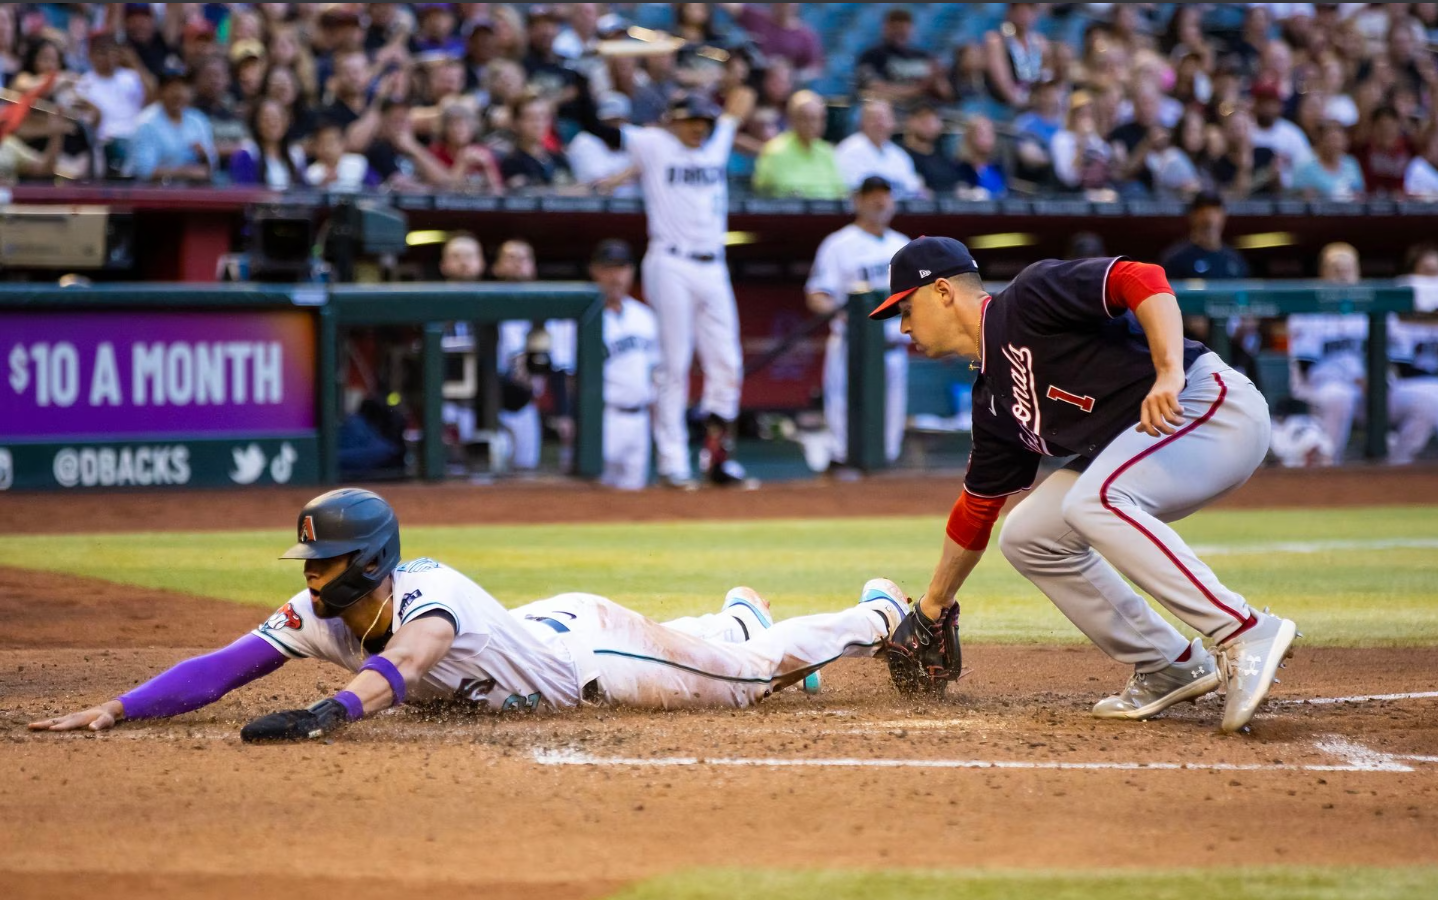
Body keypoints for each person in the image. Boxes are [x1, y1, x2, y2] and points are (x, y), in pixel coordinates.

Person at [29, 489, 893, 739]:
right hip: (549, 630)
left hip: (602, 660)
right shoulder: (323, 613)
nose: (311, 576)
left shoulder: (424, 599)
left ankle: (881, 614)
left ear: (366, 561)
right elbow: (225, 666)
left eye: (323, 560)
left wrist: (329, 713)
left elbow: (401, 668)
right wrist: (120, 706)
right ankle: (735, 616)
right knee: (724, 654)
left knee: (745, 687)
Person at [870, 235, 1298, 734]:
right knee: (1029, 535)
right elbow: (976, 511)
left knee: (1094, 500)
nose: (902, 327)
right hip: (1149, 441)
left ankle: (1245, 630)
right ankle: (1169, 663)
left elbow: (1143, 278)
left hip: (1211, 407)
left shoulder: (1028, 298)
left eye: (904, 308)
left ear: (943, 291)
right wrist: (933, 603)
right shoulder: (993, 398)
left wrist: (1167, 372)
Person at [608, 88, 758, 488]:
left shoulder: (715, 141)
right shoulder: (654, 144)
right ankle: (673, 462)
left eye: (704, 122)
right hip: (670, 260)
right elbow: (604, 127)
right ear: (673, 120)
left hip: (713, 264)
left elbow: (739, 103)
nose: (699, 128)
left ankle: (718, 459)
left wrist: (734, 94)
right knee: (674, 364)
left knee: (727, 364)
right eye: (692, 120)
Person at [1288, 242, 1438, 465]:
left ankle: (1397, 467)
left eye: (1347, 268)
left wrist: (1378, 378)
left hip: (1372, 391)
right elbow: (1305, 366)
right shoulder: (1308, 311)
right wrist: (1353, 379)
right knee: (1339, 397)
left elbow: (1396, 359)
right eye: (1335, 268)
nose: (1342, 274)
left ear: (1358, 272)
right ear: (1322, 272)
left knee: (1429, 401)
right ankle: (1326, 468)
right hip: (1326, 388)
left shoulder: (1377, 307)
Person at [805, 176, 911, 472]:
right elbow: (817, 295)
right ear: (858, 201)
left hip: (892, 345)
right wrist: (847, 315)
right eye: (872, 196)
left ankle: (882, 477)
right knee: (843, 413)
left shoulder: (903, 246)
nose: (880, 201)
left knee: (891, 422)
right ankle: (842, 467)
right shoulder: (839, 244)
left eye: (885, 196)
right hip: (853, 345)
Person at [494, 238, 576, 472]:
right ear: (496, 267)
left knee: (525, 471)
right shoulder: (480, 308)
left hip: (525, 406)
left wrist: (563, 414)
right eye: (510, 258)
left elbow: (559, 369)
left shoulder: (545, 313)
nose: (518, 264)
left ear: (533, 267)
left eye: (524, 258)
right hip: (487, 405)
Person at [586, 240, 662, 491]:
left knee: (634, 497)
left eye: (621, 268)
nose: (615, 276)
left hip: (639, 419)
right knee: (594, 495)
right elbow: (568, 375)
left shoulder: (645, 316)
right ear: (594, 271)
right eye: (608, 268)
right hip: (602, 418)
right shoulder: (582, 316)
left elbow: (655, 372)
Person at [752, 89, 845, 199]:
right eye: (806, 118)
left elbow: (840, 193)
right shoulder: (774, 151)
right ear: (792, 119)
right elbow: (766, 193)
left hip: (828, 214)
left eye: (818, 119)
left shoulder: (827, 152)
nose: (813, 124)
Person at [127, 70, 216, 183]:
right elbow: (144, 171)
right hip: (149, 192)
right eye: (172, 87)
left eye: (184, 87)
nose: (179, 93)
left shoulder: (197, 120)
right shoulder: (147, 123)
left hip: (190, 190)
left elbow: (211, 166)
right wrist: (186, 172)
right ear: (160, 91)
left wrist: (204, 156)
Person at [854, 7, 951, 108]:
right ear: (885, 28)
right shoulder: (871, 56)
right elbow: (874, 89)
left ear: (911, 30)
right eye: (895, 29)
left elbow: (946, 95)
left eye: (903, 30)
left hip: (923, 114)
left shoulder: (924, 57)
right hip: (888, 112)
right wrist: (919, 89)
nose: (899, 34)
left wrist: (938, 78)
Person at [834, 98, 923, 197]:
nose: (880, 124)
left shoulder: (900, 155)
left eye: (884, 118)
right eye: (874, 118)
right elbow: (853, 190)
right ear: (862, 122)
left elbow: (913, 188)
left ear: (893, 123)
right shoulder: (848, 150)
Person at [724, 3, 824, 83]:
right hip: (753, 81)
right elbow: (732, 6)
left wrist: (789, 74)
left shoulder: (805, 36)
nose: (784, 6)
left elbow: (815, 70)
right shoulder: (757, 18)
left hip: (785, 88)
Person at [1160, 192, 1249, 280]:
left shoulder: (1235, 259)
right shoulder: (1176, 259)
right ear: (1192, 216)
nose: (1209, 219)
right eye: (1203, 212)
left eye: (1215, 211)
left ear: (1223, 216)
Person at [568, 91, 637, 195]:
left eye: (618, 121)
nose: (613, 127)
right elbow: (600, 187)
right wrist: (633, 172)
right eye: (608, 122)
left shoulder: (637, 140)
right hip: (594, 208)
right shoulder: (584, 142)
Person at [228, 97, 305, 188]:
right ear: (256, 123)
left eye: (277, 118)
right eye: (266, 119)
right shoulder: (246, 154)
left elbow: (304, 191)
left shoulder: (295, 153)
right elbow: (243, 192)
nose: (272, 123)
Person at [501, 94, 575, 189]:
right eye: (531, 118)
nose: (539, 124)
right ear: (515, 123)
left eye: (544, 117)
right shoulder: (512, 162)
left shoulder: (558, 158)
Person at [429, 102, 505, 193]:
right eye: (452, 124)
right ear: (444, 129)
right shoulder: (435, 152)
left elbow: (498, 192)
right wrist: (462, 163)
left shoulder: (483, 152)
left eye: (464, 124)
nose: (458, 129)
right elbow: (446, 192)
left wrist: (487, 167)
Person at [1291, 120, 1365, 199]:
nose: (1336, 145)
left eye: (1339, 140)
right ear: (1320, 140)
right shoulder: (1304, 166)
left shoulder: (1351, 163)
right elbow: (1297, 196)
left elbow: (1360, 192)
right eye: (1332, 140)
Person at [902, 102, 961, 194]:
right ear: (910, 121)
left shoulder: (944, 156)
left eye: (933, 120)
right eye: (923, 120)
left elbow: (956, 184)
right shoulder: (901, 156)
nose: (929, 125)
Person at [305, 118, 376, 191]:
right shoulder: (311, 172)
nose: (327, 148)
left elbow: (375, 188)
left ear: (343, 143)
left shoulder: (358, 163)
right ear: (315, 147)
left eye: (331, 142)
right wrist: (322, 184)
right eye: (322, 143)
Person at [954, 115, 1007, 198]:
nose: (988, 139)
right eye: (982, 134)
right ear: (970, 137)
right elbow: (959, 193)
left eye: (990, 133)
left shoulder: (997, 165)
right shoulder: (961, 167)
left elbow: (1003, 192)